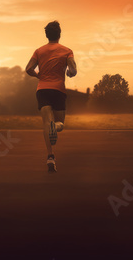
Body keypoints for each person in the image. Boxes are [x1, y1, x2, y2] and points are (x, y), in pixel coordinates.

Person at [26, 21, 77, 173]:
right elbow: (73, 69)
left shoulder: (39, 51)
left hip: (42, 89)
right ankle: (57, 127)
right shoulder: (67, 51)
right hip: (58, 90)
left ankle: (50, 156)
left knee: (46, 123)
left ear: (46, 35)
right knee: (59, 123)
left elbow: (28, 68)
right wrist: (69, 72)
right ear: (59, 35)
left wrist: (38, 75)